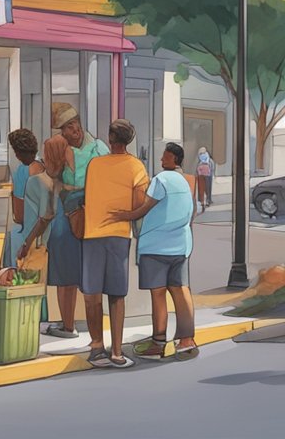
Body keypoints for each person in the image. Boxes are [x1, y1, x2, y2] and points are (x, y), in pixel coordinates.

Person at [79, 119, 148, 369]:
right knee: (117, 295)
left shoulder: (94, 165)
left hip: (92, 233)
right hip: (119, 235)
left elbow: (88, 194)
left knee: (92, 294)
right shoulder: (136, 167)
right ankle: (117, 352)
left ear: (110, 138)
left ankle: (97, 346)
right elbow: (138, 205)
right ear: (129, 139)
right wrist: (125, 215)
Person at [45, 103, 109, 340]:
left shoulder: (99, 148)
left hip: (92, 213)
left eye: (74, 125)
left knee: (91, 273)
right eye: (66, 127)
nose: (73, 130)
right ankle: (67, 324)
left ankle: (94, 327)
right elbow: (51, 180)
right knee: (65, 271)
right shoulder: (58, 148)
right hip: (66, 212)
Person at [131, 143, 199, 361]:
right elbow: (192, 212)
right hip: (180, 244)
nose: (161, 159)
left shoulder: (161, 179)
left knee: (158, 293)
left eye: (165, 157)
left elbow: (144, 208)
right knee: (181, 290)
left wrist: (123, 216)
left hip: (155, 245)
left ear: (173, 159)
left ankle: (159, 343)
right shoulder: (189, 181)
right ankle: (187, 341)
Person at [3, 129, 50, 270]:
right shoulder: (44, 168)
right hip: (45, 235)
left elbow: (19, 215)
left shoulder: (23, 171)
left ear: (17, 153)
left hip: (25, 235)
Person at [195, 147, 214, 211]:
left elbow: (197, 167)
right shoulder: (209, 159)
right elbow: (212, 167)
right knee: (208, 187)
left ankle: (201, 201)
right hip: (208, 175)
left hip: (200, 175)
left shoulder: (200, 158)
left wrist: (197, 173)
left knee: (201, 188)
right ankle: (208, 200)